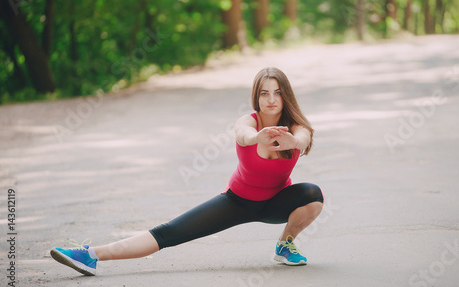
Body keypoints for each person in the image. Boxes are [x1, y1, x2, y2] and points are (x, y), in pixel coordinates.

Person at [50, 67, 324, 276]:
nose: (271, 99)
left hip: (274, 204)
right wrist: (257, 139)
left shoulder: (295, 126)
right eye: (264, 93)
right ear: (256, 96)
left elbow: (304, 137)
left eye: (277, 92)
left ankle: (285, 245)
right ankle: (90, 255)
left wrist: (293, 142)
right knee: (168, 232)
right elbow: (242, 134)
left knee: (312, 194)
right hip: (236, 202)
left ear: (286, 95)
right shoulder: (248, 122)